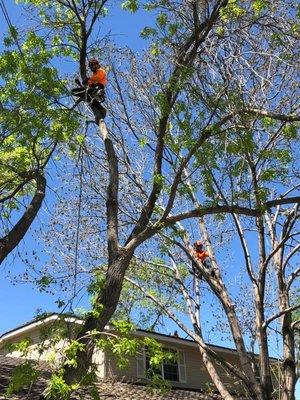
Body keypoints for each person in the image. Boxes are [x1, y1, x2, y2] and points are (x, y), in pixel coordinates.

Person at [72, 58, 107, 123]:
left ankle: (101, 111)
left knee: (90, 94)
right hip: (92, 90)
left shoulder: (101, 71)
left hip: (98, 87)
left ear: (96, 65)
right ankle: (101, 109)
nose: (92, 67)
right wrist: (80, 84)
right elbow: (89, 85)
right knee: (74, 91)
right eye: (91, 66)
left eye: (93, 65)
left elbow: (99, 77)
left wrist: (88, 79)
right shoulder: (93, 75)